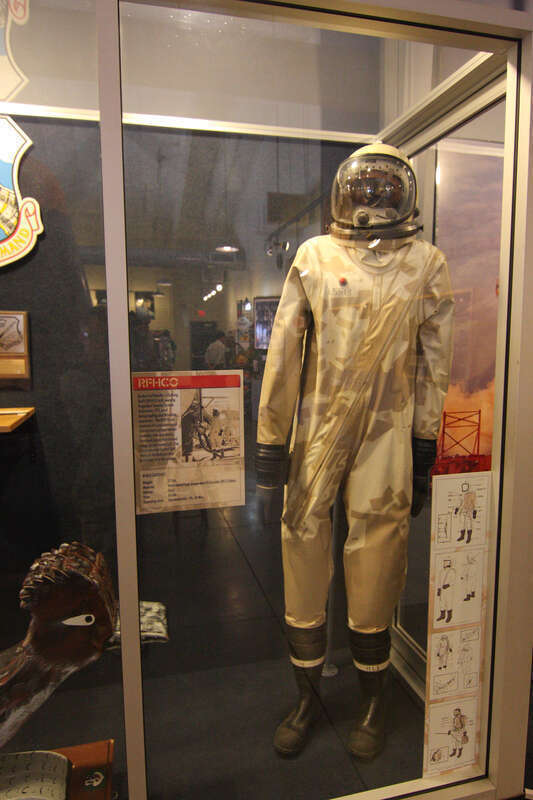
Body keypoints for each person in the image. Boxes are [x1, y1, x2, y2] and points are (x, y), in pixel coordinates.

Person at [255, 143, 454, 760]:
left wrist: (425, 445)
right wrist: (271, 438)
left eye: (385, 187)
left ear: (406, 194)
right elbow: (285, 351)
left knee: (377, 556)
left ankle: (373, 700)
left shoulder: (426, 264)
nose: (373, 197)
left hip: (387, 433)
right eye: (363, 186)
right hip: (316, 427)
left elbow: (434, 367)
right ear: (345, 192)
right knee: (303, 548)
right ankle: (308, 694)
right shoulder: (315, 257)